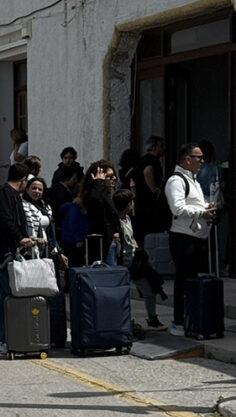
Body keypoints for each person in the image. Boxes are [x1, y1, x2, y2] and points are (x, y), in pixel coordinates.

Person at [0, 163, 34, 354]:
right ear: (23, 180)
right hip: (2, 254)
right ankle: (4, 339)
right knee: (9, 294)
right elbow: (6, 219)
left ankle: (6, 338)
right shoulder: (5, 194)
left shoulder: (7, 194)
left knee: (7, 295)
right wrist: (20, 237)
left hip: (6, 252)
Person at [165, 142, 216, 337]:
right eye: (199, 158)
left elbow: (193, 204)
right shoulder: (176, 181)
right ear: (187, 159)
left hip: (195, 238)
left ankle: (191, 320)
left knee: (191, 281)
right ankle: (178, 321)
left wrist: (206, 207)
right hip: (183, 239)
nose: (202, 161)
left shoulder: (193, 180)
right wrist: (202, 212)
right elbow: (177, 208)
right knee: (183, 281)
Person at [113, 190, 165, 330]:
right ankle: (126, 322)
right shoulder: (116, 222)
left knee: (149, 291)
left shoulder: (128, 219)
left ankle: (152, 318)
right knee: (123, 295)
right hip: (123, 265)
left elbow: (131, 238)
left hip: (134, 263)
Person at [78, 160, 120, 265]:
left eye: (114, 175)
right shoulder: (93, 194)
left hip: (112, 243)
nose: (114, 178)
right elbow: (94, 204)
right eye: (109, 176)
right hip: (102, 245)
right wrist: (98, 182)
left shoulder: (108, 196)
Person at [197, 139, 227, 271]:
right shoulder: (215, 166)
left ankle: (202, 264)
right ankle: (213, 264)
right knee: (213, 235)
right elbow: (221, 185)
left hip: (199, 203)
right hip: (213, 203)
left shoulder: (196, 168)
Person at [131, 135, 165, 246]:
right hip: (148, 205)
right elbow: (147, 172)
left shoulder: (143, 160)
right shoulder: (152, 160)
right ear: (154, 147)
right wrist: (154, 190)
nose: (164, 148)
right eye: (161, 146)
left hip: (141, 205)